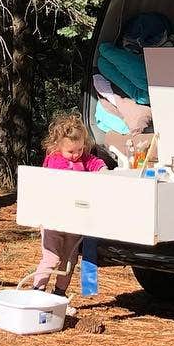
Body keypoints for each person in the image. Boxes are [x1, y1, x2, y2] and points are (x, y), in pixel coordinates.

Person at [32, 112, 106, 294]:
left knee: (69, 258)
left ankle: (59, 293)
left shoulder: (84, 158)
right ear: (58, 146)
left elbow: (95, 162)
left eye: (79, 150)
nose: (75, 155)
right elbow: (60, 179)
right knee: (52, 257)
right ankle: (37, 290)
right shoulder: (54, 160)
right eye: (71, 152)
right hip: (54, 219)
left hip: (75, 219)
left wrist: (102, 169)